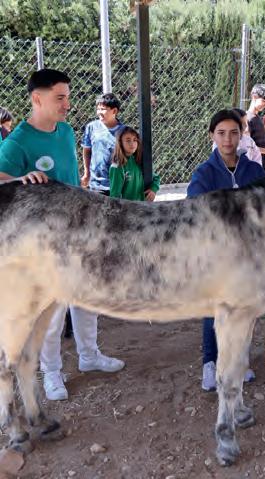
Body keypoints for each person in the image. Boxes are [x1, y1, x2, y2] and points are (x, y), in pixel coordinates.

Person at [0, 68, 124, 401]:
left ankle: (89, 356)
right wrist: (20, 179)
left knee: (87, 300)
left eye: (67, 97)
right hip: (44, 241)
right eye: (59, 98)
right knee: (52, 313)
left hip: (79, 228)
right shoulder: (18, 141)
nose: (67, 104)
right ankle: (52, 372)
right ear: (36, 98)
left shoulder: (66, 131)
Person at [186, 109, 265, 391]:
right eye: (221, 133)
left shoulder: (254, 170)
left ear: (242, 135)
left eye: (233, 133)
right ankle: (211, 363)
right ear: (212, 136)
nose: (228, 139)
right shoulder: (204, 173)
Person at [81, 93, 124, 195]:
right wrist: (87, 173)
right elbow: (87, 150)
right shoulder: (91, 127)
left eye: (103, 109)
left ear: (114, 111)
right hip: (96, 184)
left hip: (118, 184)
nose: (99, 112)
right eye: (98, 109)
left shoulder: (125, 131)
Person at [109, 126, 160, 201]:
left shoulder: (139, 161)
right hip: (127, 207)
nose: (132, 143)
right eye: (128, 140)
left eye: (135, 140)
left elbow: (156, 177)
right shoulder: (117, 167)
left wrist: (153, 189)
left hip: (143, 205)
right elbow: (115, 196)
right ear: (120, 143)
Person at [246, 83, 265, 174]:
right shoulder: (247, 119)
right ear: (254, 97)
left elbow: (257, 139)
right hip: (256, 166)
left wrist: (264, 126)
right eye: (263, 101)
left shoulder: (257, 117)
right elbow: (249, 147)